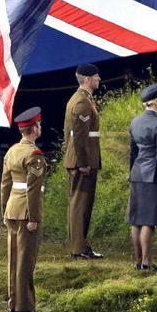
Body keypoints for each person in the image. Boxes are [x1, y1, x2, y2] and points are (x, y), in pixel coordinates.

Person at [1, 107, 47, 312]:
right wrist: (35, 217)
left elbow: (5, 184)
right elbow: (33, 190)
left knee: (13, 259)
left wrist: (4, 210)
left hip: (12, 208)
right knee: (26, 262)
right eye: (38, 125)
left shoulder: (12, 151)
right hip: (26, 212)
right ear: (35, 129)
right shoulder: (34, 154)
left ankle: (13, 304)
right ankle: (24, 307)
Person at [127, 84, 157, 272]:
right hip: (152, 175)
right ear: (155, 101)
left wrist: (132, 173)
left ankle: (138, 262)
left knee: (136, 220)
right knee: (148, 221)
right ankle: (147, 262)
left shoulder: (135, 122)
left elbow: (133, 152)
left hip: (137, 172)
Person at [63, 64, 103, 259]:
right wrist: (83, 162)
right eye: (96, 77)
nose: (99, 79)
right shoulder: (82, 102)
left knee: (79, 203)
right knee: (81, 205)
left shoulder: (79, 99)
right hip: (83, 161)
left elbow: (68, 135)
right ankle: (78, 248)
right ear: (87, 79)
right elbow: (79, 136)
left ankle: (80, 245)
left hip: (79, 159)